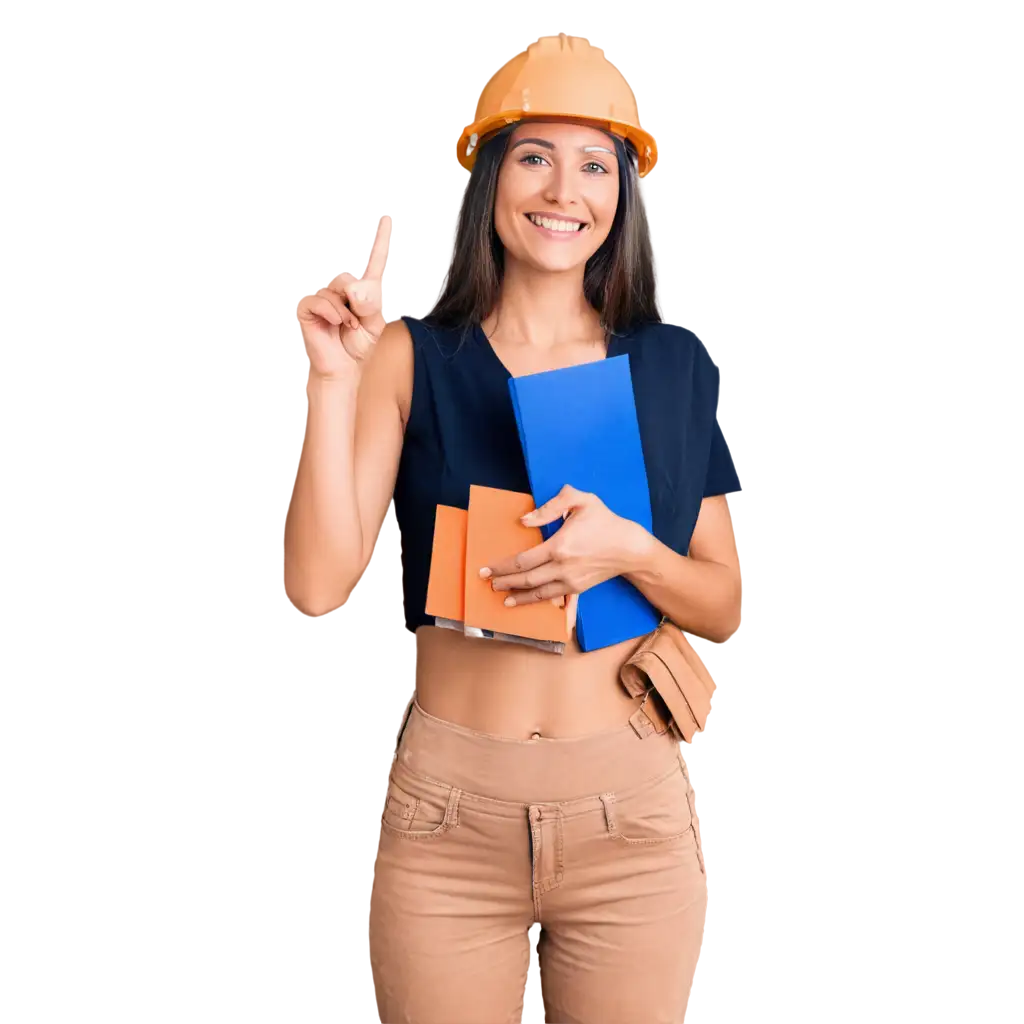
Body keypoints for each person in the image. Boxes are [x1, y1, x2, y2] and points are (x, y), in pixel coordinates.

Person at [282, 32, 742, 1024]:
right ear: (490, 177)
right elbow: (317, 585)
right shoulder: (413, 354)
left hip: (631, 813)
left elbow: (722, 595)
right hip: (449, 816)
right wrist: (330, 383)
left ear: (623, 192)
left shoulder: (671, 364)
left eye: (594, 164)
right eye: (534, 156)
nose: (562, 190)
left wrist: (629, 550)